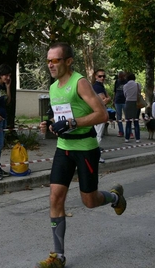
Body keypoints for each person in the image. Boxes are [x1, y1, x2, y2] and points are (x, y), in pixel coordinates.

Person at [37, 42, 126, 268]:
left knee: (89, 200)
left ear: (68, 61)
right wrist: (49, 124)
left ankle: (115, 197)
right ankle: (59, 256)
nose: (50, 64)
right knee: (55, 198)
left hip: (85, 148)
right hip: (63, 148)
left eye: (55, 60)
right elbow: (58, 113)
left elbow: (102, 115)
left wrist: (73, 122)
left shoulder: (81, 83)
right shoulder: (54, 86)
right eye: (48, 60)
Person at [92, 68, 111, 163]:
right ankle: (96, 156)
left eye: (104, 76)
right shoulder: (98, 87)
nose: (102, 78)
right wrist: (107, 99)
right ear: (96, 76)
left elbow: (107, 98)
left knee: (96, 134)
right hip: (99, 113)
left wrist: (107, 99)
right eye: (100, 76)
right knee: (98, 135)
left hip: (97, 113)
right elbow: (104, 100)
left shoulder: (99, 86)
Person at [123, 73, 141, 143]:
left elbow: (125, 95)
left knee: (128, 121)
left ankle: (127, 138)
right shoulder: (138, 85)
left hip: (128, 103)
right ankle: (138, 138)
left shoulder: (125, 86)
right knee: (136, 121)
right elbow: (139, 93)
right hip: (136, 103)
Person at [113, 71, 127, 137]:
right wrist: (114, 100)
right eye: (119, 77)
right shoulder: (117, 81)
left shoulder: (126, 82)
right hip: (117, 101)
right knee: (119, 117)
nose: (120, 78)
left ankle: (129, 131)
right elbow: (115, 91)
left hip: (125, 101)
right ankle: (121, 131)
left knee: (127, 117)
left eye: (121, 77)